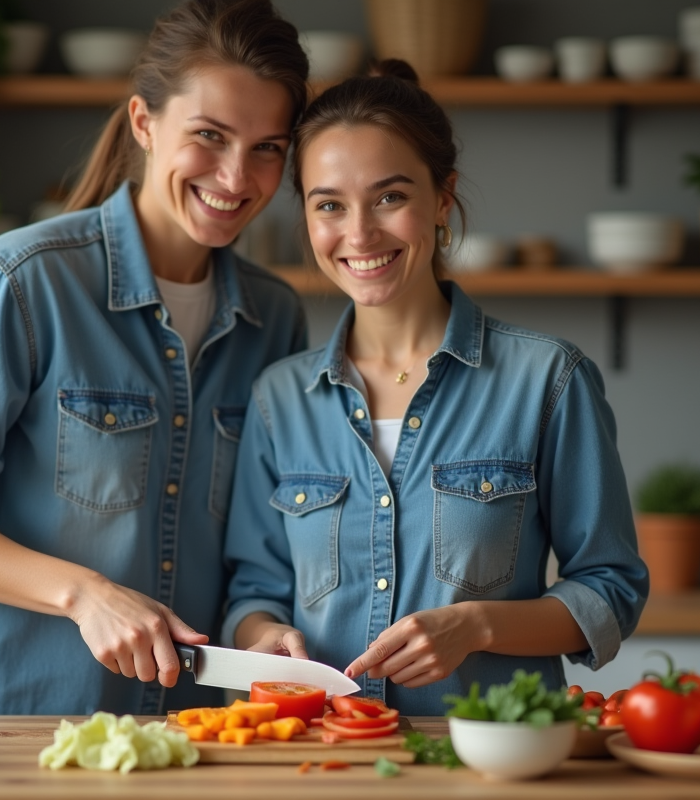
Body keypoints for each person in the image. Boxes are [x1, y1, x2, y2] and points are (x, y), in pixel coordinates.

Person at [0, 0, 310, 715]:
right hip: (15, 717)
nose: (236, 177)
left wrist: (260, 627)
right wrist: (85, 595)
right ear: (144, 123)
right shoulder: (23, 280)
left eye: (267, 147)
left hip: (190, 723)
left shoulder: (275, 317)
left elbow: (258, 544)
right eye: (210, 136)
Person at [221, 60, 649, 716]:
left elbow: (611, 589)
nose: (359, 233)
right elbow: (252, 591)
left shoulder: (548, 381)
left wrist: (479, 625)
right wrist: (264, 637)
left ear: (442, 197)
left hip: (492, 757)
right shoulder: (279, 399)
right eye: (329, 204)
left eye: (390, 197)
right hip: (322, 759)